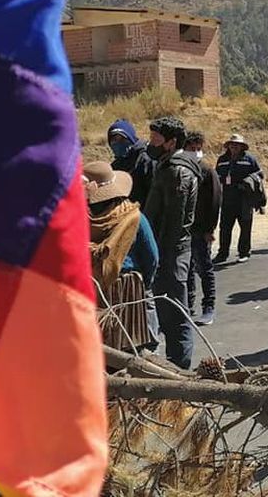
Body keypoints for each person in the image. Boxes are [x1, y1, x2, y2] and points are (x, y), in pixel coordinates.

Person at [84, 161, 159, 352]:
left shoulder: (79, 220)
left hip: (92, 288)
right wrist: (145, 284)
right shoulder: (133, 217)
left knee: (99, 347)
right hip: (128, 289)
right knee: (133, 346)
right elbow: (151, 257)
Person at [144, 116, 200, 370]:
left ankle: (180, 372)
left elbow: (173, 222)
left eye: (156, 139)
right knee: (167, 310)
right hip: (168, 250)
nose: (151, 144)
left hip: (171, 252)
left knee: (175, 313)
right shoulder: (168, 165)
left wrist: (158, 254)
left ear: (171, 142)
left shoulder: (178, 172)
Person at [183, 132, 222, 325]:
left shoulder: (207, 171)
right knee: (187, 269)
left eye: (199, 148)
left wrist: (210, 228)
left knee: (204, 268)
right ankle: (188, 306)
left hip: (201, 228)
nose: (196, 152)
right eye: (192, 148)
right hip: (185, 229)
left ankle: (209, 306)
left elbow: (215, 202)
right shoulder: (182, 170)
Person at [214, 134, 263, 265]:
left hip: (244, 199)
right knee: (224, 227)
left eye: (237, 144)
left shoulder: (249, 159)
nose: (234, 146)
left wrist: (249, 180)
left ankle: (244, 253)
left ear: (242, 146)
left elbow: (260, 174)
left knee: (245, 227)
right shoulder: (222, 159)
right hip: (228, 198)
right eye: (231, 144)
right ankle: (222, 254)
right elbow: (216, 175)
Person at [108, 119, 154, 206]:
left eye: (122, 139)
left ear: (131, 138)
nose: (118, 143)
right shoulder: (115, 166)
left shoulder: (145, 160)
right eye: (114, 140)